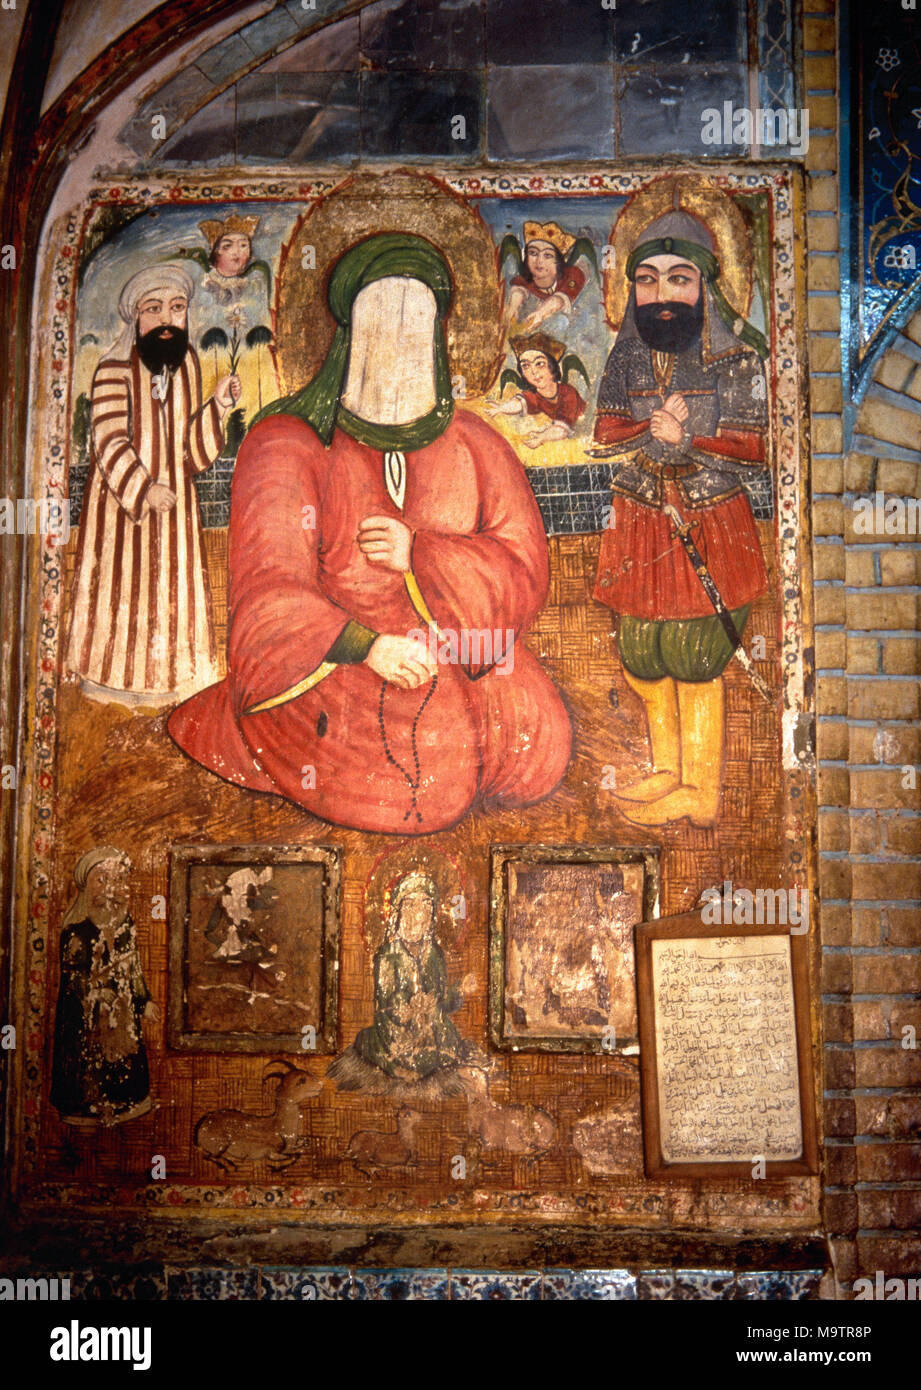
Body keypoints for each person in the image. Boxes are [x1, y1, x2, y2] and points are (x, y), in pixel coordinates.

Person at [168, 232, 573, 834]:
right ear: (348, 336)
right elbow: (269, 591)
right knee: (432, 772)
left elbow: (523, 567)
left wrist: (425, 554)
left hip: (459, 644)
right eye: (381, 319)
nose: (399, 342)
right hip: (333, 663)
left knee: (540, 737)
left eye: (417, 324)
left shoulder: (475, 441)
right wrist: (368, 646)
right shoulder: (287, 442)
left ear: (438, 338)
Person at [592, 207, 770, 827]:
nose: (661, 294)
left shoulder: (737, 359)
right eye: (646, 279)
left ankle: (703, 790)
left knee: (696, 654)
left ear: (705, 286)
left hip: (710, 519)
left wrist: (690, 438)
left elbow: (756, 446)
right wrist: (649, 427)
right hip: (639, 514)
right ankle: (667, 769)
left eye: (678, 278)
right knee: (643, 651)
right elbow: (607, 428)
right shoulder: (626, 357)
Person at [66, 266, 241, 703]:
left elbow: (191, 453)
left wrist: (217, 407)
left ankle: (175, 680)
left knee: (176, 587)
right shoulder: (112, 371)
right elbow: (107, 441)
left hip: (177, 517)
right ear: (137, 318)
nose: (167, 318)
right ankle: (112, 684)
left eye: (177, 308)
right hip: (124, 518)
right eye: (154, 308)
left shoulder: (187, 368)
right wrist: (144, 489)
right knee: (124, 591)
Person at [328, 871, 474, 1092]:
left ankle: (420, 1059)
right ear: (397, 912)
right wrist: (408, 1005)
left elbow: (443, 1002)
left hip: (433, 1028)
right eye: (411, 905)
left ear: (433, 913)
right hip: (396, 1027)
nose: (419, 914)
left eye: (426, 905)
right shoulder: (388, 955)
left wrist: (459, 991)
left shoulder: (435, 954)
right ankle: (397, 1066)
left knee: (449, 1046)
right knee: (370, 1041)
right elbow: (386, 1001)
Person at [50, 847, 158, 1128]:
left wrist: (143, 998)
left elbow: (133, 966)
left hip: (122, 1012)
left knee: (126, 1056)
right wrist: (95, 992)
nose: (112, 889)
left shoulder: (125, 925)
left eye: (118, 880)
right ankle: (85, 1108)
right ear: (86, 885)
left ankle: (127, 1102)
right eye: (103, 879)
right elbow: (73, 977)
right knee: (89, 1061)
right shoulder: (75, 931)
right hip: (86, 1016)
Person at [487, 333, 586, 448]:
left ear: (552, 367)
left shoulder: (568, 393)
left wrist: (542, 437)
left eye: (539, 364)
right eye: (525, 366)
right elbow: (520, 403)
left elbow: (562, 430)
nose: (533, 372)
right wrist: (501, 408)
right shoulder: (537, 396)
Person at [504, 222, 587, 332]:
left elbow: (559, 299)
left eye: (547, 255)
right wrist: (513, 305)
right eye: (533, 253)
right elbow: (519, 289)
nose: (539, 261)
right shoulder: (526, 278)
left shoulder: (573, 275)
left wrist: (541, 313)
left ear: (558, 260)